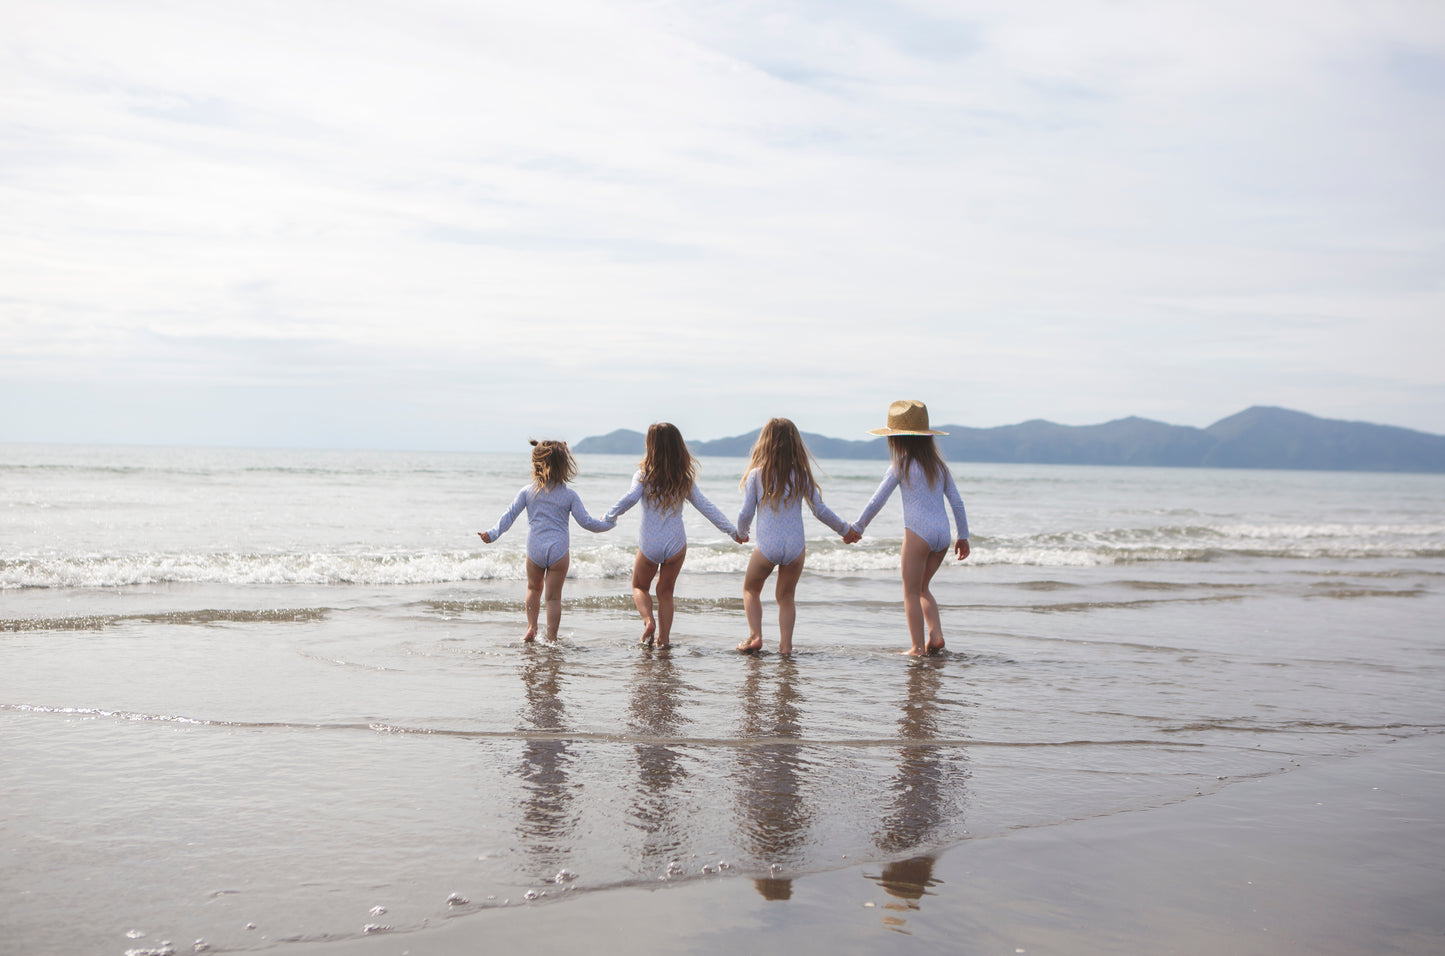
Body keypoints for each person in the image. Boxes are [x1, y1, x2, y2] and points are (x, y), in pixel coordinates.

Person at [606, 422, 746, 647]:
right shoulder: (684, 479)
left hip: (650, 544)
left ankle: (648, 621)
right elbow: (707, 508)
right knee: (665, 591)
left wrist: (609, 517)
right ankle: (664, 639)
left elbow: (631, 498)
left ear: (650, 446)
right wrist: (733, 532)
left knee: (640, 586)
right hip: (676, 543)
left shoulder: (643, 476)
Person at [851, 401, 970, 656]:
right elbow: (957, 503)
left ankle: (917, 648)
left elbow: (877, 500)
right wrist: (964, 536)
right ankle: (935, 635)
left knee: (910, 591)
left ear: (896, 439)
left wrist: (858, 527)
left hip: (918, 533)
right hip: (943, 535)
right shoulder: (939, 466)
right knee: (923, 588)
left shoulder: (900, 465)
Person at [734, 418, 855, 655]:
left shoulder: (757, 476)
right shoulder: (801, 475)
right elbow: (819, 510)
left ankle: (755, 636)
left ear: (764, 443)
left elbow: (746, 512)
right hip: (795, 547)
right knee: (786, 597)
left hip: (768, 546)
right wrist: (845, 530)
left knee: (750, 588)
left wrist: (741, 532)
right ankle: (786, 647)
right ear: (795, 445)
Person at [478, 440, 614, 642]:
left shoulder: (528, 492)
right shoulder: (569, 495)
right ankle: (551, 638)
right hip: (559, 550)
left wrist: (492, 534)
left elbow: (509, 516)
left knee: (533, 589)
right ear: (564, 465)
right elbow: (586, 522)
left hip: (535, 548)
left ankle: (531, 628)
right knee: (553, 598)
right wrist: (608, 523)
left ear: (536, 465)